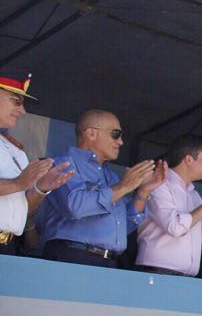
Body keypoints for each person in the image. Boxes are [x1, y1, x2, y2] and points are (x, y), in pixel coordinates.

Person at [40, 109, 165, 268]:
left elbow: (122, 226)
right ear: (90, 133)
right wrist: (123, 186)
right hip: (72, 256)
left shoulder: (111, 176)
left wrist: (143, 191)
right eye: (115, 134)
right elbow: (75, 207)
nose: (120, 142)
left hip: (108, 261)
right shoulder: (63, 164)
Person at [135, 136, 202, 276]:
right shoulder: (159, 185)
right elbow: (175, 227)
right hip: (156, 272)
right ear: (188, 159)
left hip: (184, 277)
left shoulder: (194, 195)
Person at [0, 75, 70, 255]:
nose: (22, 110)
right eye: (16, 101)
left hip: (8, 244)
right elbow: (18, 184)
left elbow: (24, 208)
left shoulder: (16, 150)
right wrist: (18, 183)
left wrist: (41, 188)